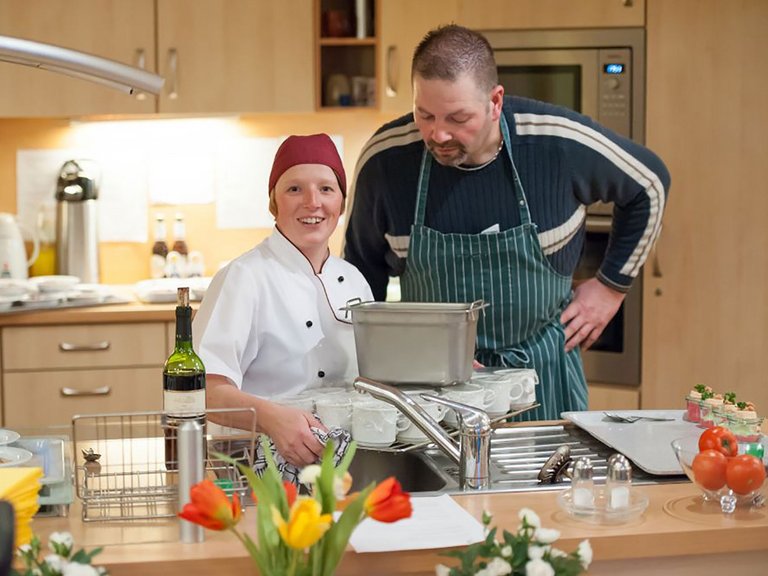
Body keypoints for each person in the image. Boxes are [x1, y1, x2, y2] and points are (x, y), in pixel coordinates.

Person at [344, 25, 671, 421]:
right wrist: (385, 368)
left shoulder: (556, 143)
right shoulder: (386, 160)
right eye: (424, 115)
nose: (438, 133)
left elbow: (649, 184)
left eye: (457, 117)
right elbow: (359, 280)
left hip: (543, 380)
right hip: (433, 394)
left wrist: (611, 288)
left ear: (495, 102)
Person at [194, 133, 373, 466]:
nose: (312, 202)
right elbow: (202, 391)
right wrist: (272, 418)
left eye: (326, 189)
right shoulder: (244, 278)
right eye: (294, 189)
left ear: (341, 202)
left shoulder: (354, 281)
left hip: (343, 462)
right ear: (273, 203)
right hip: (252, 464)